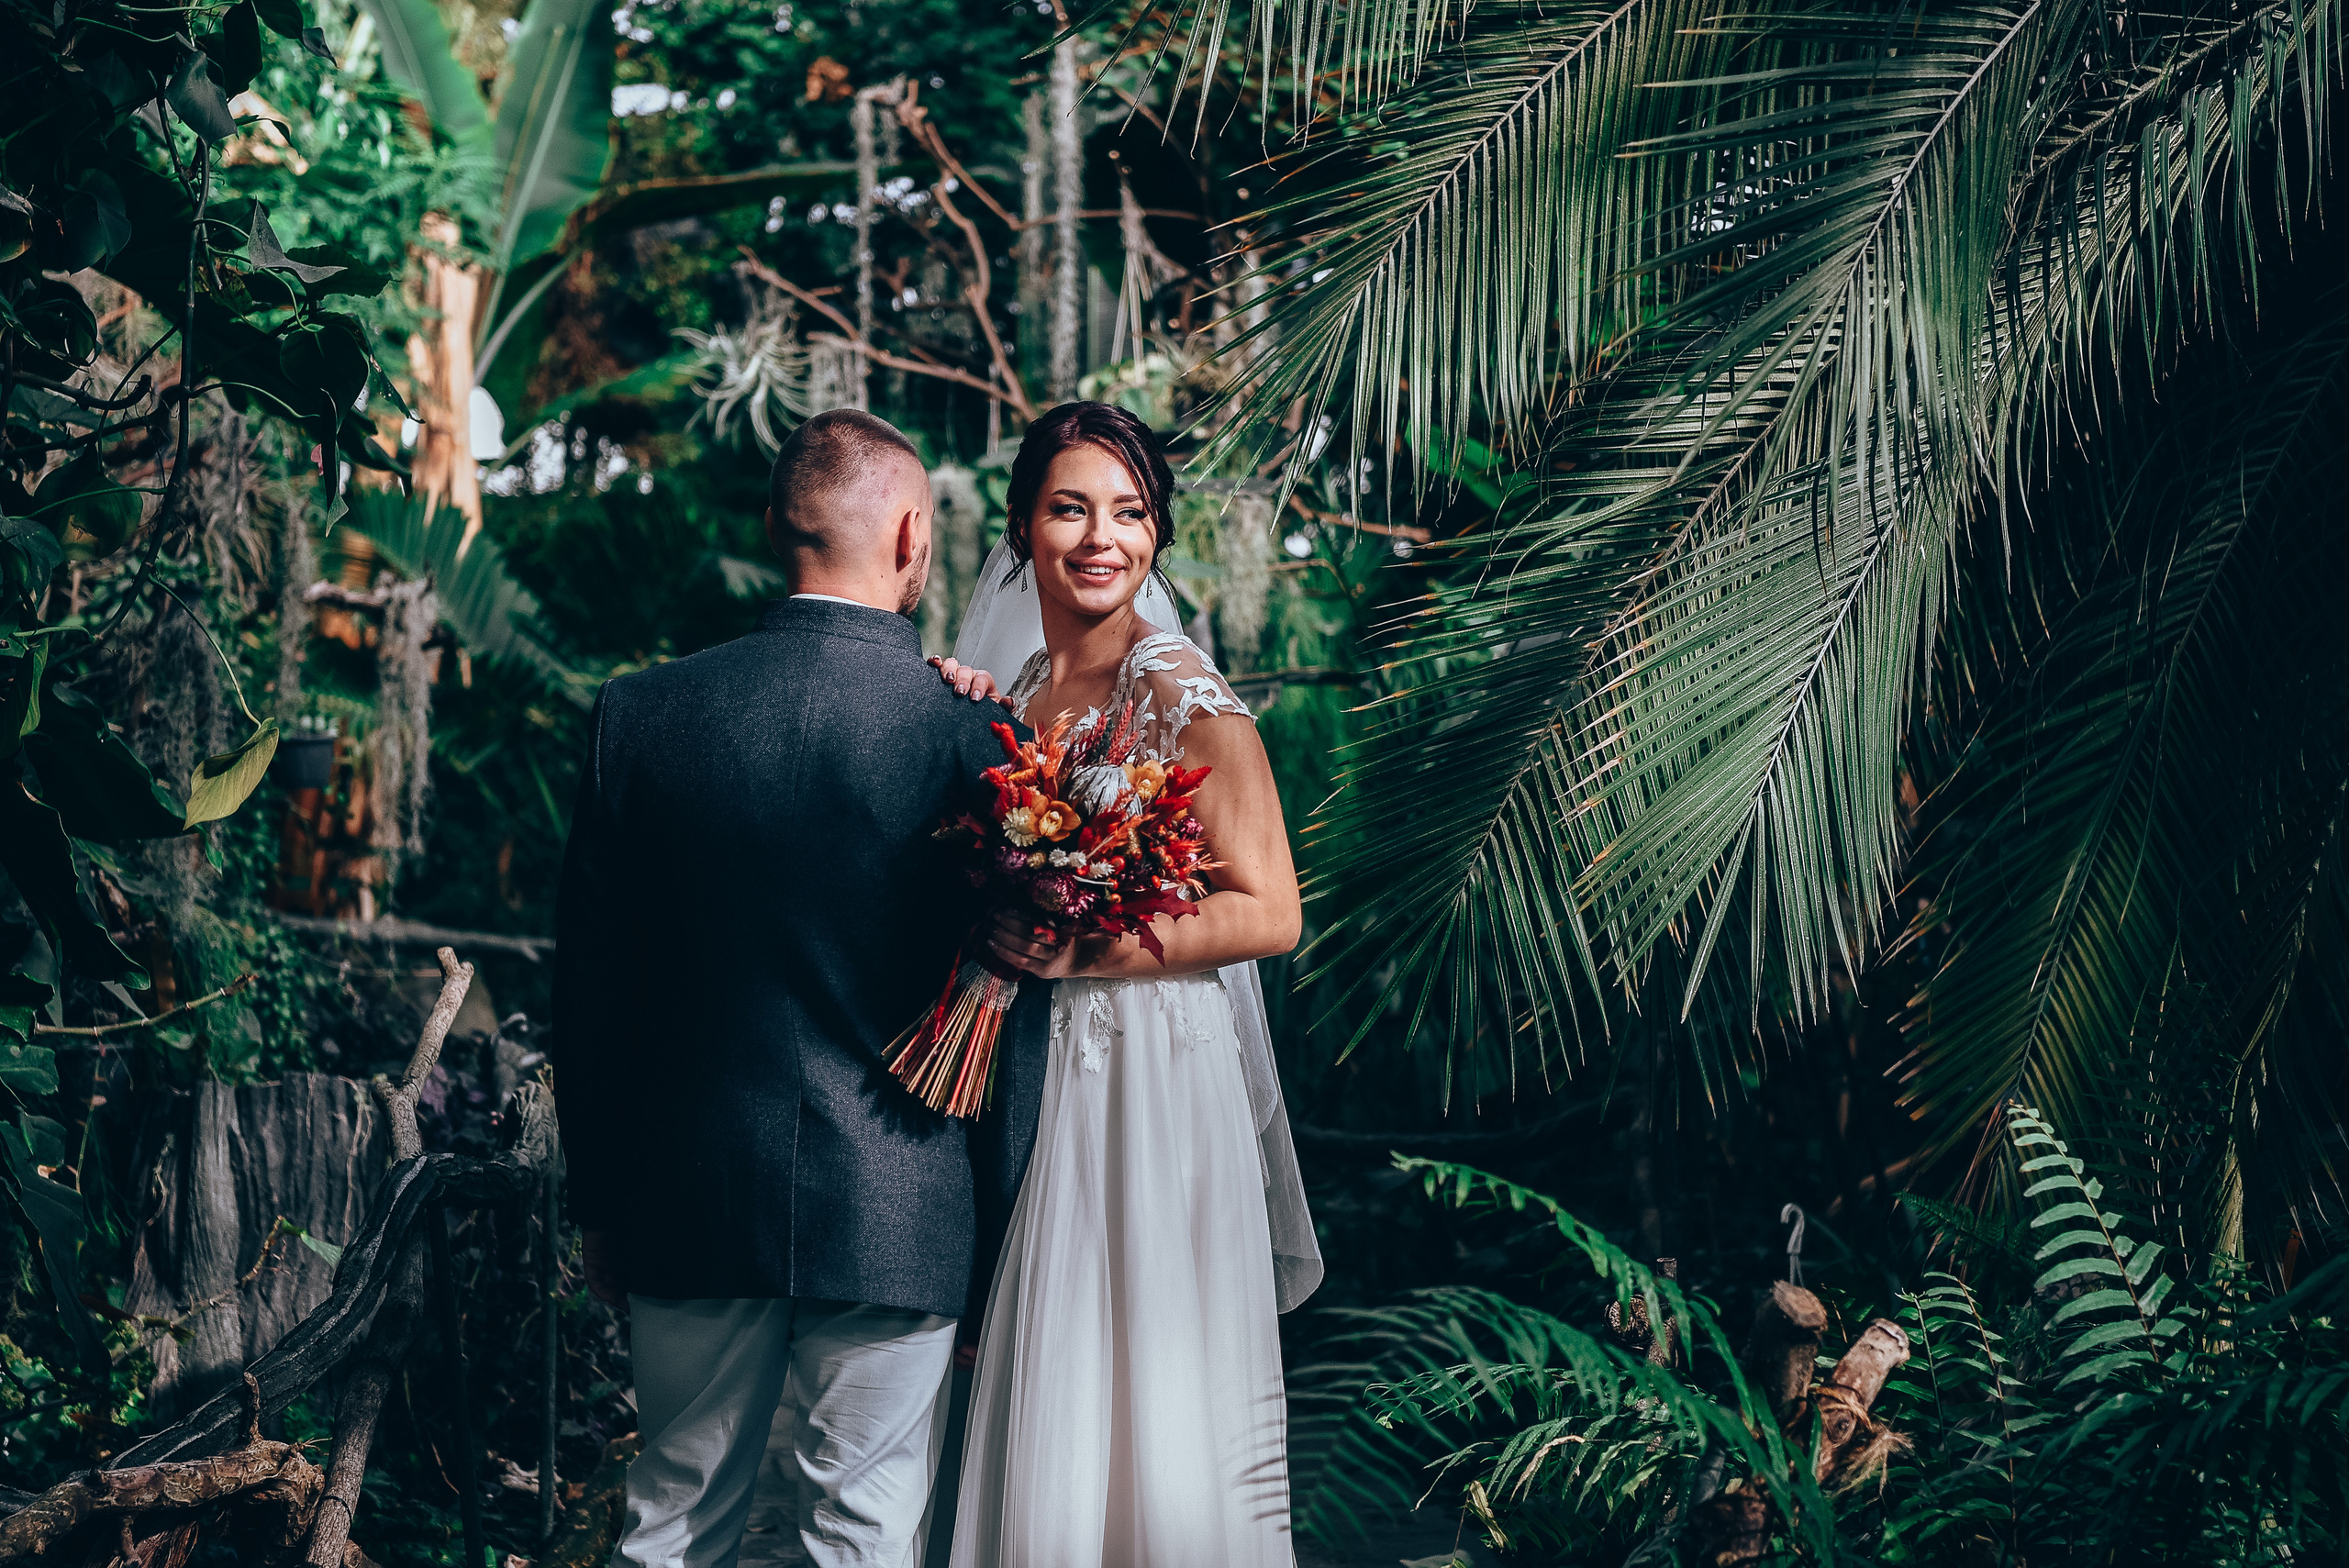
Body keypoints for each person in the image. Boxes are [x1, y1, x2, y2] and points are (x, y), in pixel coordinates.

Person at [554, 409, 1052, 1568]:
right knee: (865, 1536)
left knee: (671, 1520)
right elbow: (1013, 1003)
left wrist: (602, 1202)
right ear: (912, 535)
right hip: (904, 1204)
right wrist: (1001, 1229)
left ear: (774, 527)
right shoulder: (973, 737)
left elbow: (593, 992)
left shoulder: (641, 715)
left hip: (690, 1194)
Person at [930, 401, 1324, 1567]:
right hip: (1045, 1069)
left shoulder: (1180, 687)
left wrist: (1084, 948)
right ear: (1020, 527)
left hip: (1149, 1071)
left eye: (1130, 511)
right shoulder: (1016, 696)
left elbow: (1273, 908)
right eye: (1069, 507)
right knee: (1055, 1365)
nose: (1102, 536)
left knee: (1144, 1382)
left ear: (1156, 534)